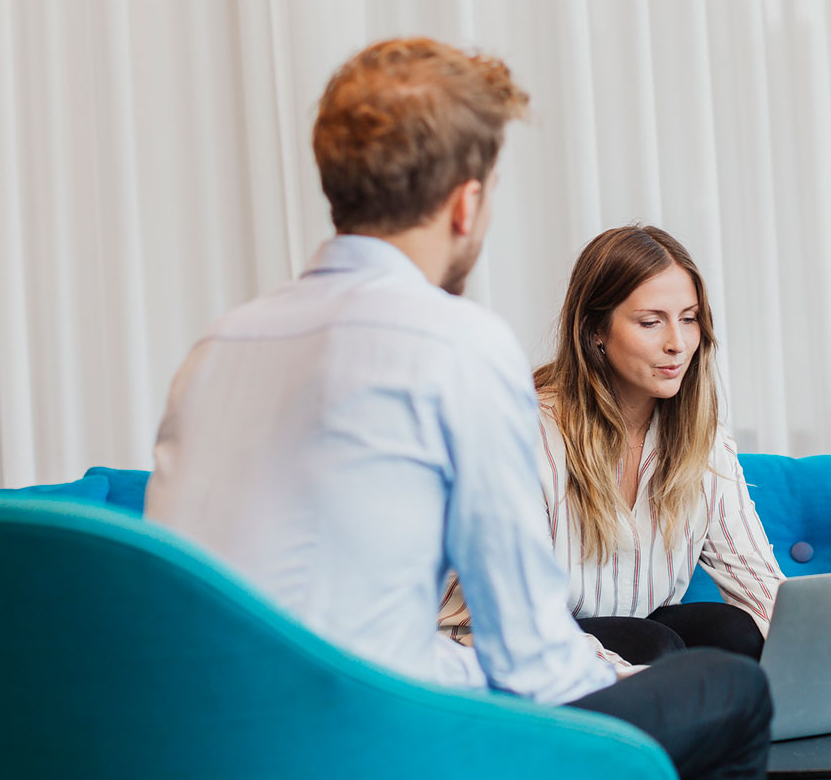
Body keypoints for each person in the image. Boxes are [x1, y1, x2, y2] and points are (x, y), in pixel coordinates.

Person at [146, 38, 771, 779]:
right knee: (730, 690)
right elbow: (529, 654)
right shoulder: (454, 344)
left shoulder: (218, 347)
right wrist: (643, 683)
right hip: (385, 732)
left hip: (209, 737)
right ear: (467, 203)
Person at [439, 226, 785, 667]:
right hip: (490, 649)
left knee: (733, 631)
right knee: (655, 647)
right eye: (651, 322)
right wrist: (659, 687)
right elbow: (522, 621)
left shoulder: (706, 440)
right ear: (595, 330)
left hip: (628, 637)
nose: (678, 344)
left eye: (689, 318)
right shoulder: (522, 436)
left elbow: (763, 591)